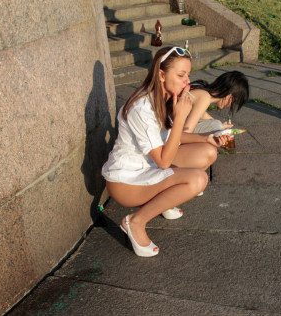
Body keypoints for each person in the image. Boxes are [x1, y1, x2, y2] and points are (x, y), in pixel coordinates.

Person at [101, 46, 228, 257]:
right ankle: (135, 222)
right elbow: (163, 161)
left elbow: (171, 138)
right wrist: (180, 118)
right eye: (180, 75)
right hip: (127, 182)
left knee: (208, 152)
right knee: (197, 180)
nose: (187, 82)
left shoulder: (165, 97)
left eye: (188, 75)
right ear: (161, 75)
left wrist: (206, 138)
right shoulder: (142, 108)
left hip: (150, 165)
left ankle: (165, 200)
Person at [183, 71, 249, 133]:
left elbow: (201, 115)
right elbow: (186, 131)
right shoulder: (205, 97)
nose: (230, 105)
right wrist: (216, 129)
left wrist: (221, 127)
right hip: (174, 130)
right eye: (233, 101)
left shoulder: (201, 87)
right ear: (228, 92)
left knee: (216, 126)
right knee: (215, 129)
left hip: (174, 125)